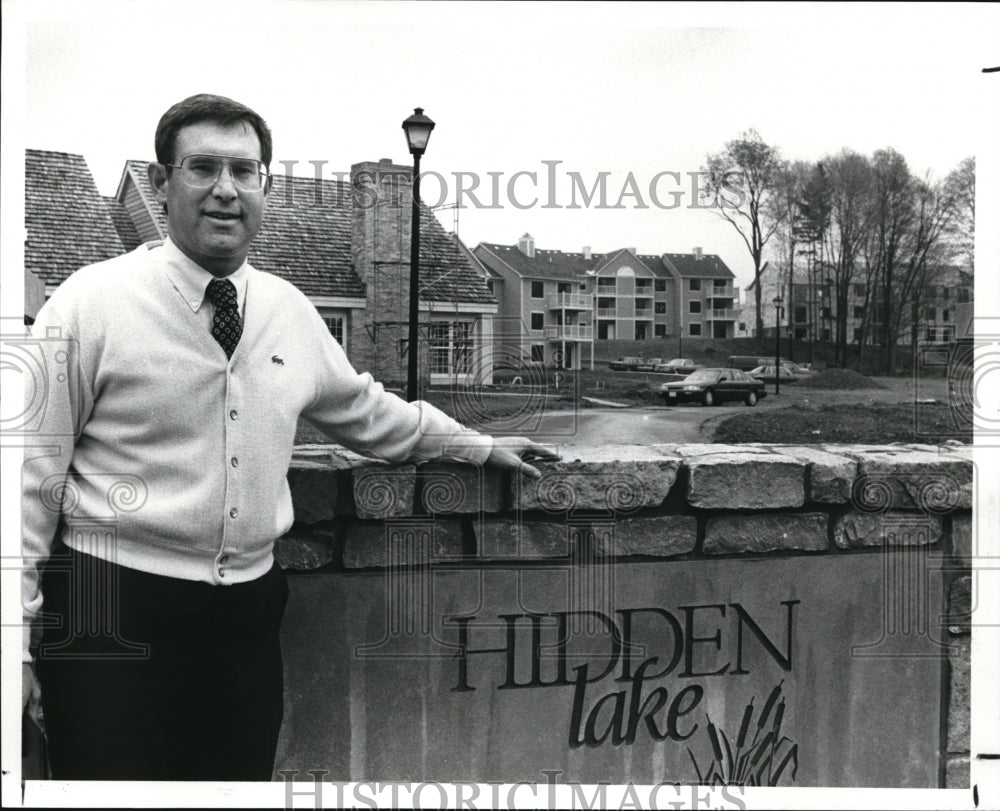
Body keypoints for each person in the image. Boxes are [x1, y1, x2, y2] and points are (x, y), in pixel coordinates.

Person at [21, 93, 559, 781]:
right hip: (110, 609)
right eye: (202, 168)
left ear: (263, 187)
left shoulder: (286, 309)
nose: (225, 189)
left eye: (245, 171)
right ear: (161, 184)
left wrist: (477, 446)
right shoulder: (89, 302)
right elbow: (26, 478)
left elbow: (368, 411)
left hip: (245, 616)